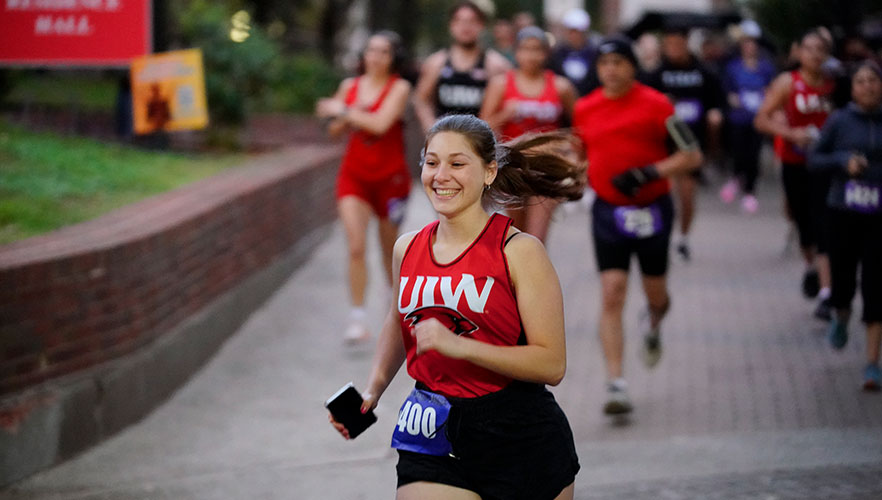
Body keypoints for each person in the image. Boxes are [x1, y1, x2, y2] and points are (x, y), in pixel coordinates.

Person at [329, 114, 584, 499]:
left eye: (457, 163)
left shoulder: (519, 252)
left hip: (519, 436)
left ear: (489, 172)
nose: (441, 175)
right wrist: (373, 389)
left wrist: (460, 346)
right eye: (432, 162)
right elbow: (399, 320)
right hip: (431, 428)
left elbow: (552, 364)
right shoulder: (407, 248)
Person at [573, 35, 703, 416]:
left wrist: (650, 172)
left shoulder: (658, 104)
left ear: (633, 66)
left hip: (653, 210)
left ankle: (654, 321)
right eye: (604, 64)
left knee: (656, 295)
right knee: (612, 292)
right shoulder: (584, 108)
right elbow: (580, 157)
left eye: (619, 62)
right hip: (608, 212)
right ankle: (616, 383)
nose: (611, 70)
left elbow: (692, 154)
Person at [315, 31, 412, 343]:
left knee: (389, 250)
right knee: (356, 246)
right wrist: (335, 115)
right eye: (371, 50)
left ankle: (393, 307)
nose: (376, 57)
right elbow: (331, 130)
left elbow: (380, 124)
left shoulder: (399, 87)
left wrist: (343, 110)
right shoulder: (350, 86)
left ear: (393, 58)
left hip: (391, 179)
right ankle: (357, 317)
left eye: (384, 52)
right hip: (354, 176)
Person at [807, 60, 882, 391]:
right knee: (843, 280)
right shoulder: (839, 121)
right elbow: (814, 159)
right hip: (843, 212)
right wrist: (842, 161)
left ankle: (872, 363)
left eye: (873, 80)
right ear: (852, 89)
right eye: (861, 81)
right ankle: (841, 315)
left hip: (878, 216)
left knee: (876, 285)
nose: (867, 86)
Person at [754, 28, 836, 320]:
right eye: (809, 48)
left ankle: (827, 294)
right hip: (795, 162)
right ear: (799, 52)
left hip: (827, 165)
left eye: (820, 49)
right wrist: (791, 133)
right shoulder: (788, 83)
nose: (814, 55)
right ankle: (811, 266)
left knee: (825, 223)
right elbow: (761, 119)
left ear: (827, 54)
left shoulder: (834, 83)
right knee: (803, 222)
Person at [480, 26, 578, 243]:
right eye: (525, 49)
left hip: (546, 169)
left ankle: (535, 265)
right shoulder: (501, 84)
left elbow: (580, 125)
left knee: (536, 239)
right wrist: (505, 114)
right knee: (515, 235)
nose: (531, 55)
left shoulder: (561, 86)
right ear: (516, 52)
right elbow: (482, 127)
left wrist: (572, 158)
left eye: (537, 49)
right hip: (513, 167)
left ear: (546, 53)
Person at [644, 26, 726, 262]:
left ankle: (684, 237)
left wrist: (715, 115)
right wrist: (662, 104)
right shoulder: (656, 74)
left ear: (687, 44)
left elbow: (718, 101)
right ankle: (663, 236)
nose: (674, 49)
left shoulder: (704, 72)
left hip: (691, 142)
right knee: (665, 193)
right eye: (669, 45)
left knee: (687, 194)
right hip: (663, 144)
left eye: (678, 44)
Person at [413, 1, 511, 133]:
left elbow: (508, 105)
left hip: (480, 141)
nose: (465, 26)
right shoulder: (436, 63)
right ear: (451, 25)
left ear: (481, 25)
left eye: (471, 21)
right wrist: (432, 129)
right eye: (459, 21)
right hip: (444, 139)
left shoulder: (497, 65)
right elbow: (421, 100)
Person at [719, 20, 777, 214]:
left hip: (758, 119)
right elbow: (728, 90)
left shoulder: (766, 67)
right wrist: (735, 99)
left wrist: (764, 99)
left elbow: (771, 90)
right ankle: (736, 178)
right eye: (746, 42)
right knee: (738, 153)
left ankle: (750, 191)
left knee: (753, 155)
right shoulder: (733, 67)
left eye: (752, 42)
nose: (749, 46)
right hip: (739, 118)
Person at [548, 8, 597, 97]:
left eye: (578, 32)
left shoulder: (594, 54)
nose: (575, 35)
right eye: (571, 31)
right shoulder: (557, 54)